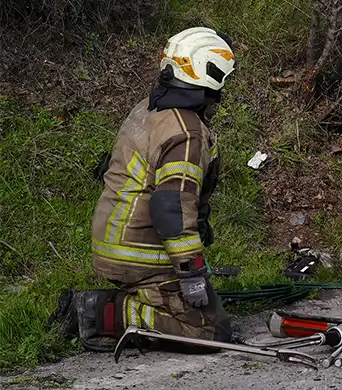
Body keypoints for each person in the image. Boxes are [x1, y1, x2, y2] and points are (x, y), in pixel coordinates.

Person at [54, 27, 236, 350]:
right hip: (139, 254)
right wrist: (191, 274)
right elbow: (172, 212)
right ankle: (106, 313)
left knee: (209, 310)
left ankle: (133, 297)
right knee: (213, 331)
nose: (221, 96)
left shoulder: (151, 109)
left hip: (113, 240)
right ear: (208, 76)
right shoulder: (187, 132)